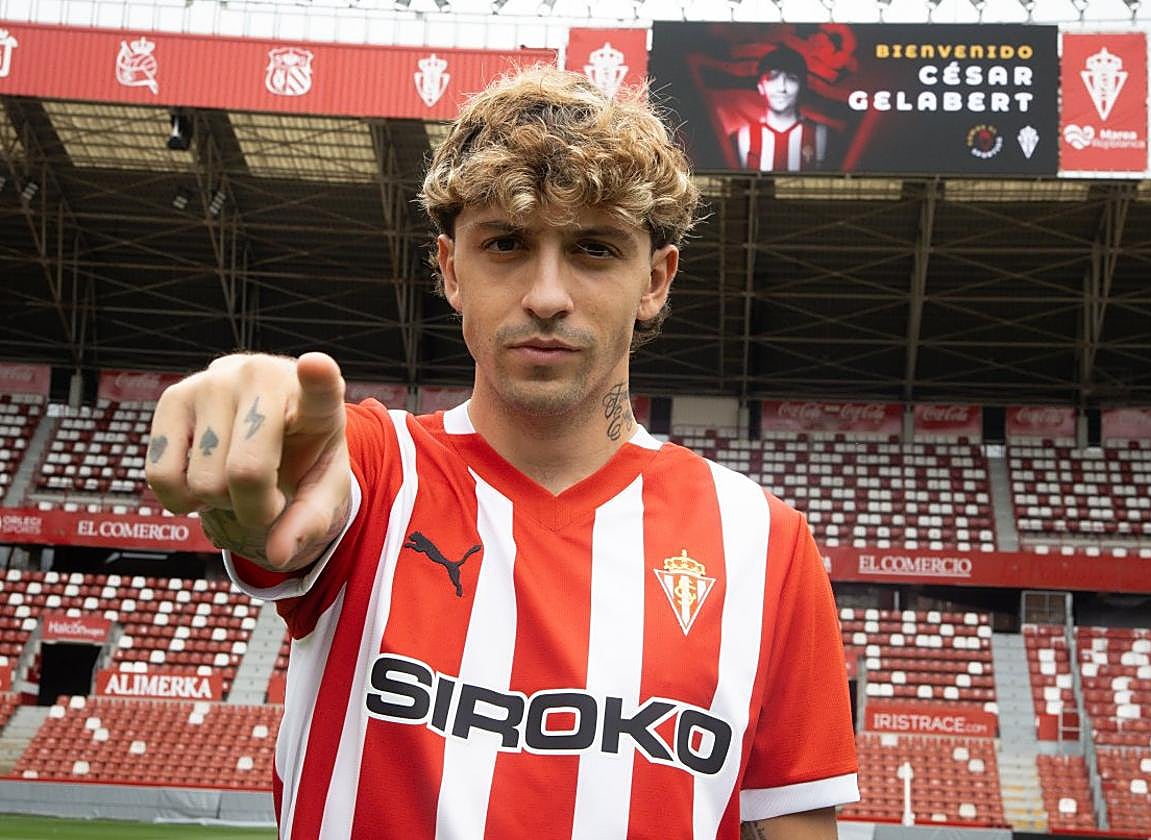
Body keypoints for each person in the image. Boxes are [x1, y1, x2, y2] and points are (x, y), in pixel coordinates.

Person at [145, 66, 858, 840]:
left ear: (654, 280)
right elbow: (313, 481)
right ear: (452, 269)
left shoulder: (764, 544)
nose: (547, 295)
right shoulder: (380, 474)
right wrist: (258, 424)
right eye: (506, 244)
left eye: (593, 248)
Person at [733, 46, 828, 172]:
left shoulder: (820, 134)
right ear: (760, 87)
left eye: (791, 78)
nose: (782, 88)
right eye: (772, 77)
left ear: (802, 87)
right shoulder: (743, 137)